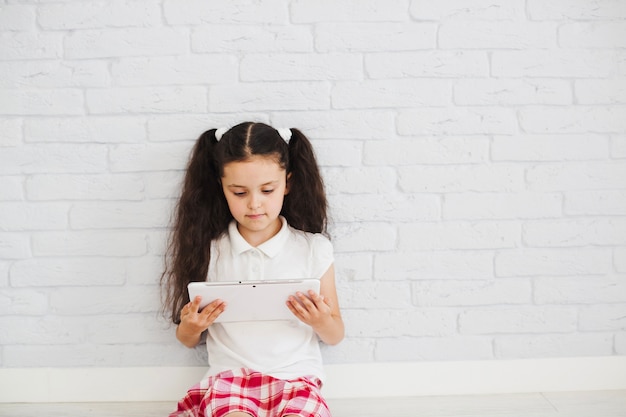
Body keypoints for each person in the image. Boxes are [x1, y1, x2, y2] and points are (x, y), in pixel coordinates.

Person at [161, 122, 344, 417]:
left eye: (267, 190)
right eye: (239, 192)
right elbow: (186, 339)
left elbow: (335, 334)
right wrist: (191, 327)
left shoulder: (313, 249)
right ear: (222, 188)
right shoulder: (211, 249)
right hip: (229, 380)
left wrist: (321, 320)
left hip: (297, 380)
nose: (255, 204)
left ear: (288, 184)